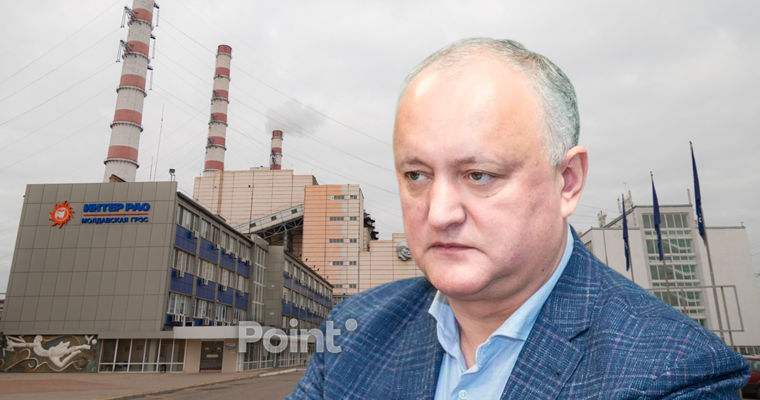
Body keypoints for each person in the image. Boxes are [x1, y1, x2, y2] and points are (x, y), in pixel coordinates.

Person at [288, 38, 749, 399]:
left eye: (480, 175)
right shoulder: (354, 332)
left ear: (567, 181)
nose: (439, 213)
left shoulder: (672, 372)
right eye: (417, 175)